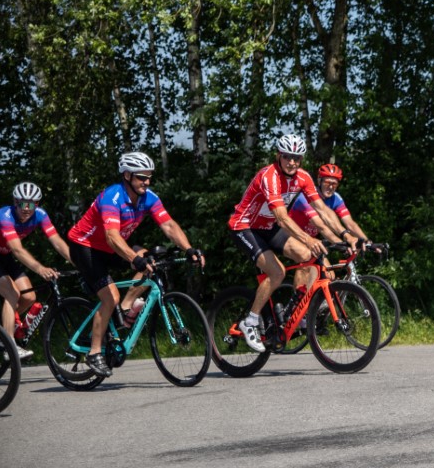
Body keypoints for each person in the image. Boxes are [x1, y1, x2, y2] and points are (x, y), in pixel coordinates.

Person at [68, 152, 205, 377]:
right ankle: (94, 352)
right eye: (142, 177)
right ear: (127, 175)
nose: (147, 182)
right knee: (110, 296)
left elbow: (169, 225)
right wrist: (134, 259)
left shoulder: (148, 197)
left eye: (149, 177)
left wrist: (188, 249)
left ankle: (125, 308)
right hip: (86, 247)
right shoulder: (112, 197)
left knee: (150, 261)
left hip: (112, 247)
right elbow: (112, 236)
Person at [228, 135, 355, 352]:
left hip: (268, 227)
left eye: (297, 158)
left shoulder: (303, 177)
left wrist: (345, 234)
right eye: (287, 157)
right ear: (279, 156)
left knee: (308, 256)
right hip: (245, 227)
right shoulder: (269, 176)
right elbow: (282, 218)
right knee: (277, 272)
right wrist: (308, 238)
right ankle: (250, 321)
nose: (292, 162)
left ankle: (295, 311)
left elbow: (323, 209)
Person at [0, 183, 73, 359]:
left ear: (37, 205)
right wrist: (40, 268)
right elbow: (17, 249)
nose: (26, 209)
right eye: (22, 204)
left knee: (29, 297)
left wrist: (78, 262)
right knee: (12, 293)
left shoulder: (40, 215)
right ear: (15, 202)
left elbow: (56, 241)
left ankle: (2, 330)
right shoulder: (4, 216)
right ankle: (9, 346)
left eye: (31, 204)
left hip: (4, 256)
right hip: (8, 252)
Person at [286, 163, 376, 247]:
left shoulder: (336, 198)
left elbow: (350, 223)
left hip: (310, 240)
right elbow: (320, 226)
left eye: (334, 184)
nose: (330, 187)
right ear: (319, 181)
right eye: (327, 182)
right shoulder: (306, 197)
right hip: (290, 237)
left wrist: (367, 242)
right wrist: (341, 243)